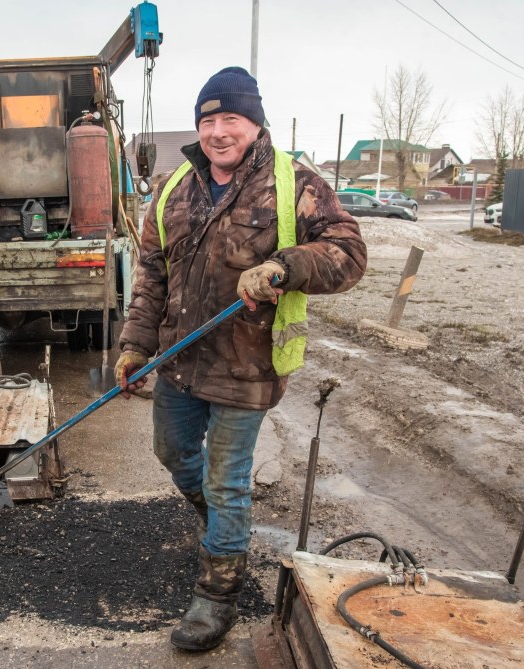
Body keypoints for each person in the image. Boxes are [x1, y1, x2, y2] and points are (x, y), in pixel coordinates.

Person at [114, 67, 367, 651]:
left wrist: (285, 266)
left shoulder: (293, 181)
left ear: (255, 123)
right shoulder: (174, 184)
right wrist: (134, 345)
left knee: (228, 482)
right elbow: (152, 274)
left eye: (231, 118)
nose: (218, 131)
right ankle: (225, 532)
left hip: (247, 365)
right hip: (179, 359)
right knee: (172, 452)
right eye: (208, 120)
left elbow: (348, 252)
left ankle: (217, 591)